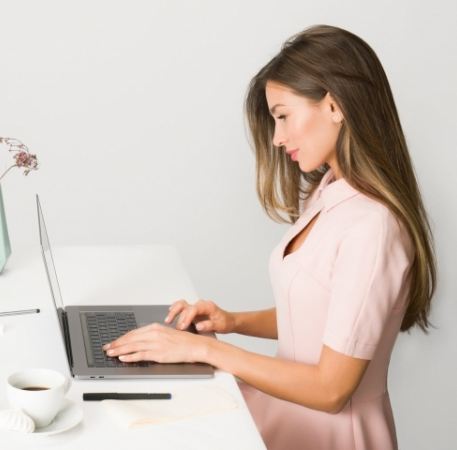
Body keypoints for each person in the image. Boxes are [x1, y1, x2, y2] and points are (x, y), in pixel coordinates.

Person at [103, 25, 436, 450]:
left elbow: (331, 391)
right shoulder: (329, 192)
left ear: (334, 105)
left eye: (283, 115)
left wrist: (207, 352)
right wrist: (231, 321)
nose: (277, 138)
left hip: (333, 434)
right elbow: (320, 316)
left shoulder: (373, 228)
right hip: (285, 414)